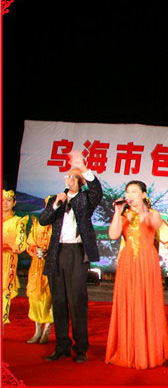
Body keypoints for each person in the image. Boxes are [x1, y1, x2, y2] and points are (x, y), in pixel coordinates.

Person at [39, 150, 102, 363]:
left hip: (76, 252)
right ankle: (61, 347)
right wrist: (56, 204)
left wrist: (83, 167)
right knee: (58, 300)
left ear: (81, 182)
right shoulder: (56, 199)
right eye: (68, 176)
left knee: (76, 301)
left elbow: (97, 190)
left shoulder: (86, 199)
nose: (70, 179)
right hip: (57, 253)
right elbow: (43, 220)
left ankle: (81, 348)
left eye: (75, 177)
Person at [105, 180, 168, 369]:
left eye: (134, 191)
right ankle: (127, 350)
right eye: (127, 192)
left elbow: (155, 223)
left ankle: (146, 351)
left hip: (147, 261)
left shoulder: (152, 213)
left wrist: (141, 210)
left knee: (146, 301)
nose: (129, 195)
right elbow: (113, 235)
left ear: (143, 194)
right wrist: (117, 212)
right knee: (128, 301)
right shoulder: (124, 214)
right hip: (128, 261)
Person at [25, 201, 54, 344]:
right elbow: (29, 244)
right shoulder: (37, 224)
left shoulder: (59, 225)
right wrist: (35, 249)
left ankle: (47, 331)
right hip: (36, 266)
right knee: (35, 297)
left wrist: (51, 252)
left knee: (50, 298)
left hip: (52, 266)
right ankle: (37, 331)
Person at [2, 189, 29, 330]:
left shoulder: (18, 221)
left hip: (6, 261)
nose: (5, 203)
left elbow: (21, 245)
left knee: (4, 292)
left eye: (8, 201)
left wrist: (5, 246)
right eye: (2, 200)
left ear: (14, 203)